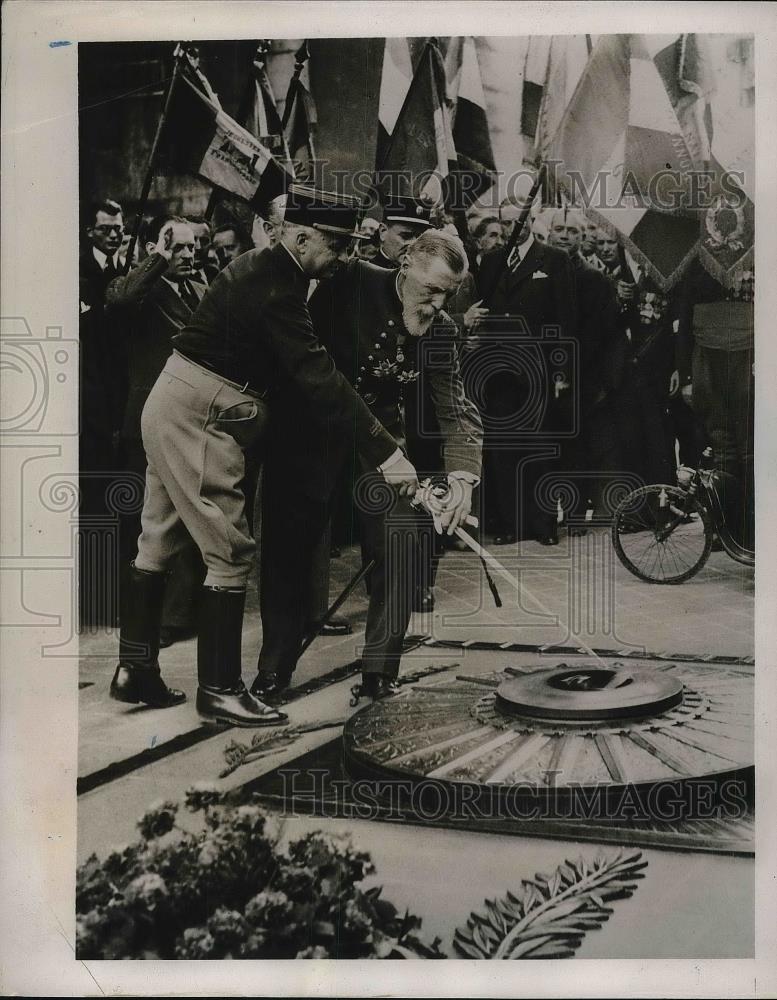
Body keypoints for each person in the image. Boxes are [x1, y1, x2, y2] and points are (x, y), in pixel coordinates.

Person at [109, 185, 416, 727]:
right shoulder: (277, 287)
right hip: (202, 415)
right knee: (229, 550)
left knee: (157, 538)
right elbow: (318, 376)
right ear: (300, 236)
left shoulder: (273, 269)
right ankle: (221, 690)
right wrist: (387, 452)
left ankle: (135, 670)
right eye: (337, 245)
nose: (344, 258)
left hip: (176, 403)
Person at [253, 228, 483, 703]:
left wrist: (462, 477)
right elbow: (300, 350)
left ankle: (380, 670)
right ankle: (274, 668)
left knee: (401, 541)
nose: (438, 304)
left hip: (380, 444)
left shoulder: (441, 331)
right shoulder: (353, 280)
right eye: (431, 290)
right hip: (308, 427)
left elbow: (455, 410)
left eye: (449, 294)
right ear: (405, 266)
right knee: (290, 548)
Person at [106, 215, 208, 648]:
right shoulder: (141, 290)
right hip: (149, 418)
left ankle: (181, 613)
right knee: (152, 524)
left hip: (194, 418)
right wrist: (157, 259)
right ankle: (151, 622)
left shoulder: (201, 289)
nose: (189, 255)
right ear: (155, 249)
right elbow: (121, 301)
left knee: (187, 516)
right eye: (177, 247)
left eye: (190, 247)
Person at [476, 175, 577, 545]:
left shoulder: (554, 260)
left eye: (516, 220)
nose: (509, 228)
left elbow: (565, 319)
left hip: (538, 370)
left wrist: (562, 370)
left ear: (532, 218)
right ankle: (509, 524)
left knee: (539, 448)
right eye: (503, 222)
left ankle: (543, 525)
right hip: (497, 371)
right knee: (502, 448)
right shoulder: (490, 261)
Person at [546, 208, 622, 529]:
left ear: (582, 238)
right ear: (548, 234)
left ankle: (576, 514)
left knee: (576, 447)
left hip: (583, 379)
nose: (565, 236)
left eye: (572, 231)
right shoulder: (537, 273)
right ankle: (547, 515)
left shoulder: (595, 280)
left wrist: (592, 379)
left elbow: (605, 334)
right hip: (540, 375)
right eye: (559, 229)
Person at [676, 259, 754, 549]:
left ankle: (752, 528)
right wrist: (685, 376)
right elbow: (684, 319)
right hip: (707, 359)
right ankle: (725, 528)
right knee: (722, 447)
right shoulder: (697, 263)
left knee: (750, 448)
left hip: (750, 356)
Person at [79, 197, 127, 626]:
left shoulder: (125, 270)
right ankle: (95, 601)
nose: (115, 234)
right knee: (95, 506)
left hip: (121, 406)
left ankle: (116, 597)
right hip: (91, 409)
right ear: (89, 232)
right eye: (107, 228)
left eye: (119, 227)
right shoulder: (80, 275)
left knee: (122, 505)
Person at [373, 196, 433, 269]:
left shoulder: (424, 276)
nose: (413, 243)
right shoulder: (363, 273)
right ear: (383, 231)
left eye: (420, 238)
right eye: (405, 236)